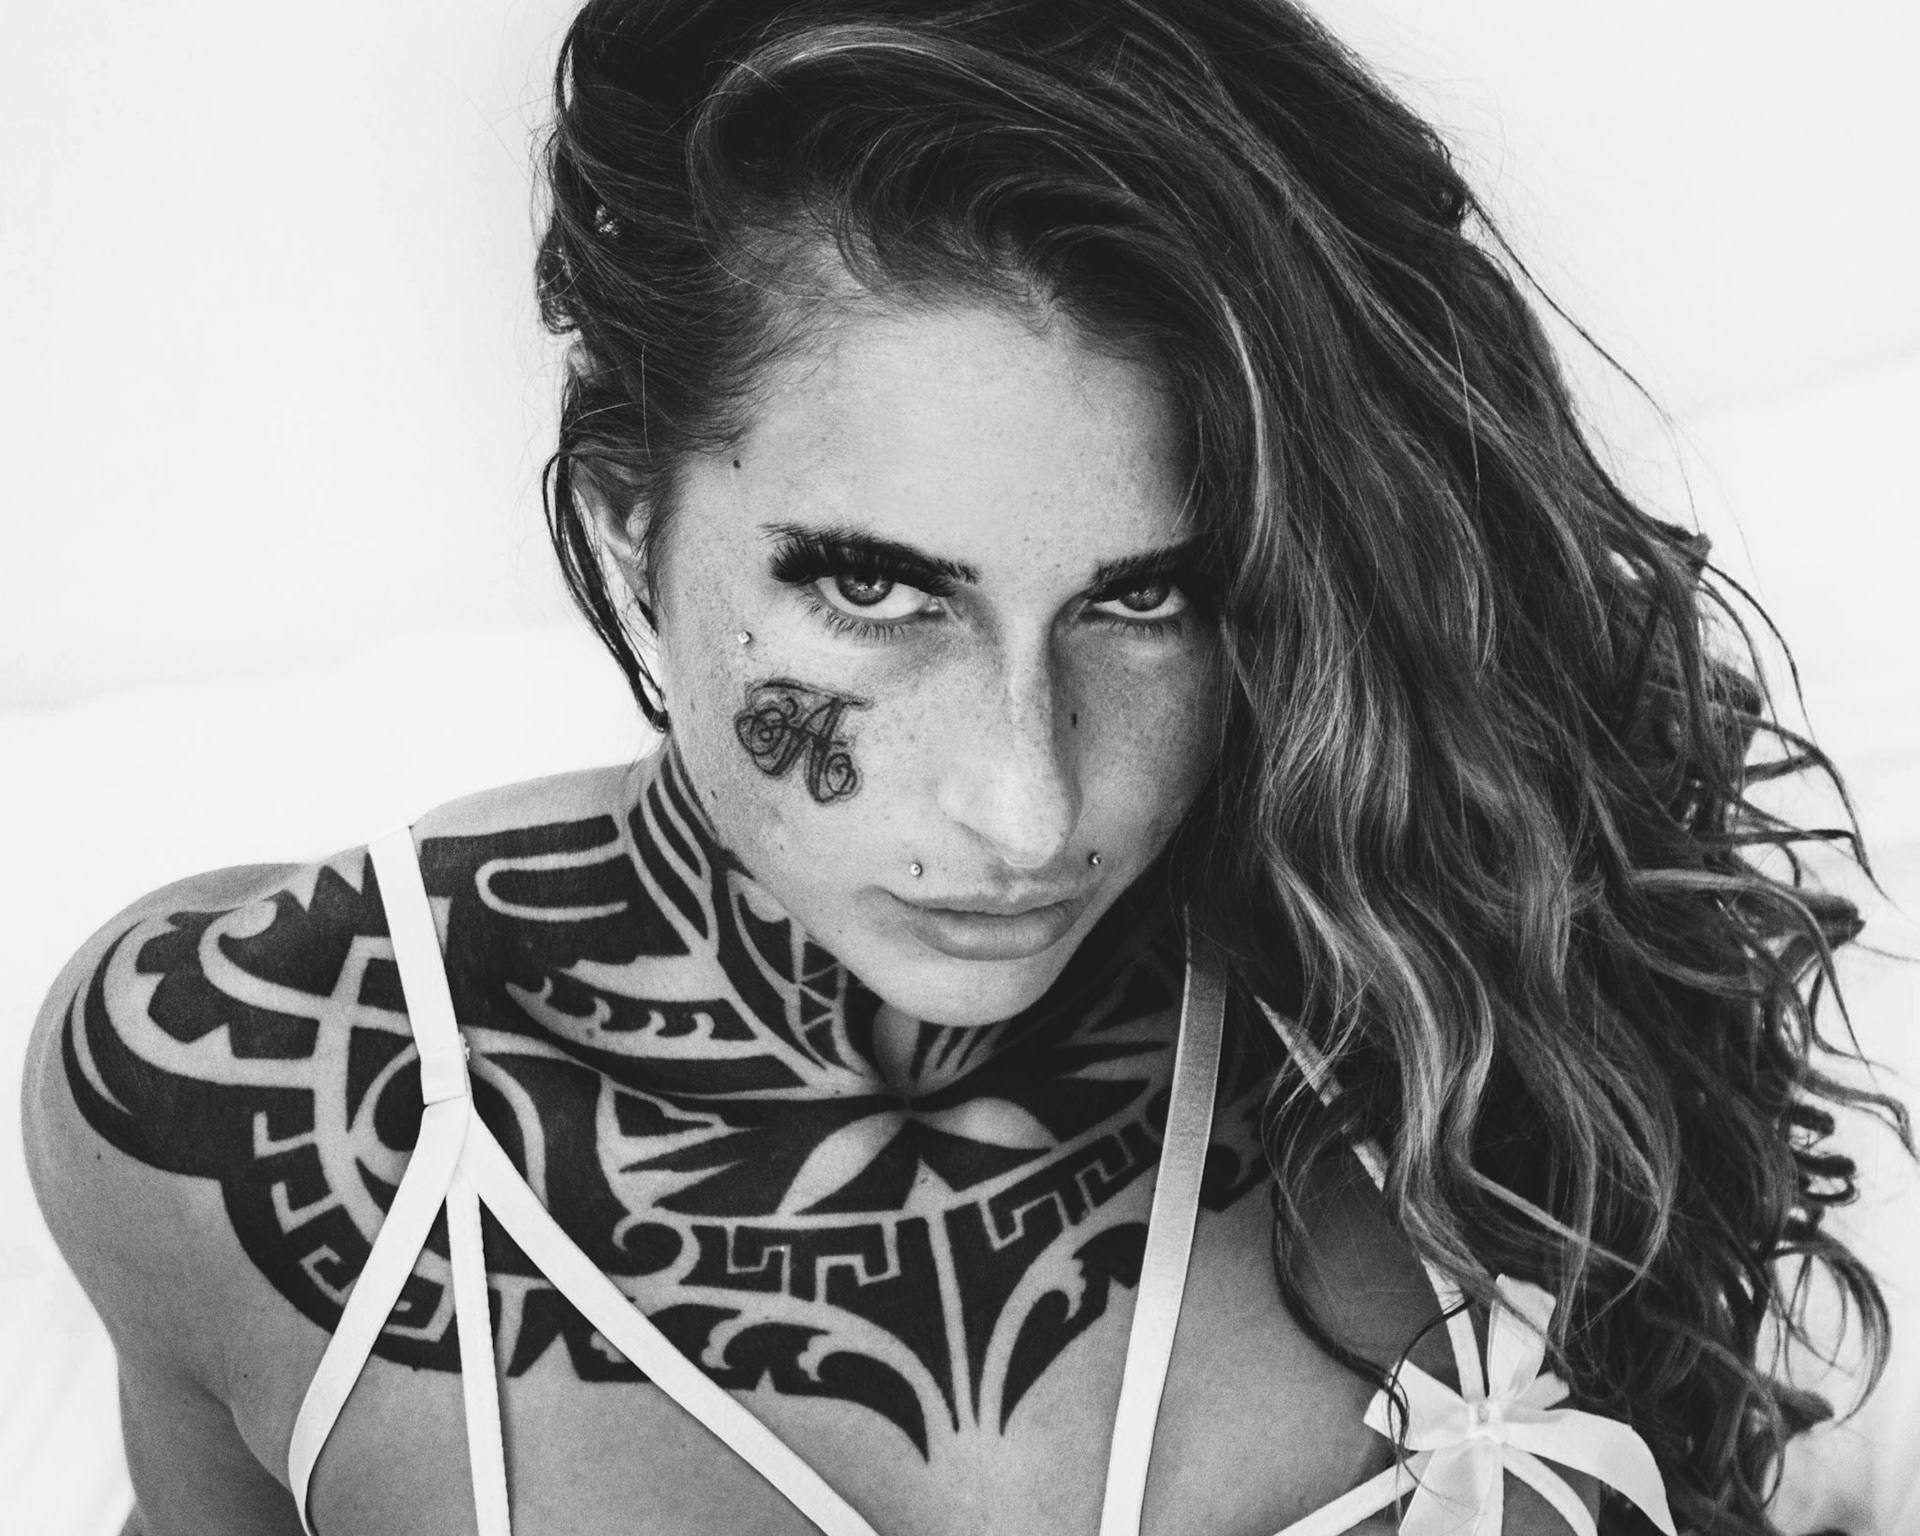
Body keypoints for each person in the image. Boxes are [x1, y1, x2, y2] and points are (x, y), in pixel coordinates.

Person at [22, 1, 1900, 1532]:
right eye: (874, 589)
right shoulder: (235, 1097)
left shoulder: (1453, 995)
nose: (1031, 805)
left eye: (1148, 598)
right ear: (623, 535)